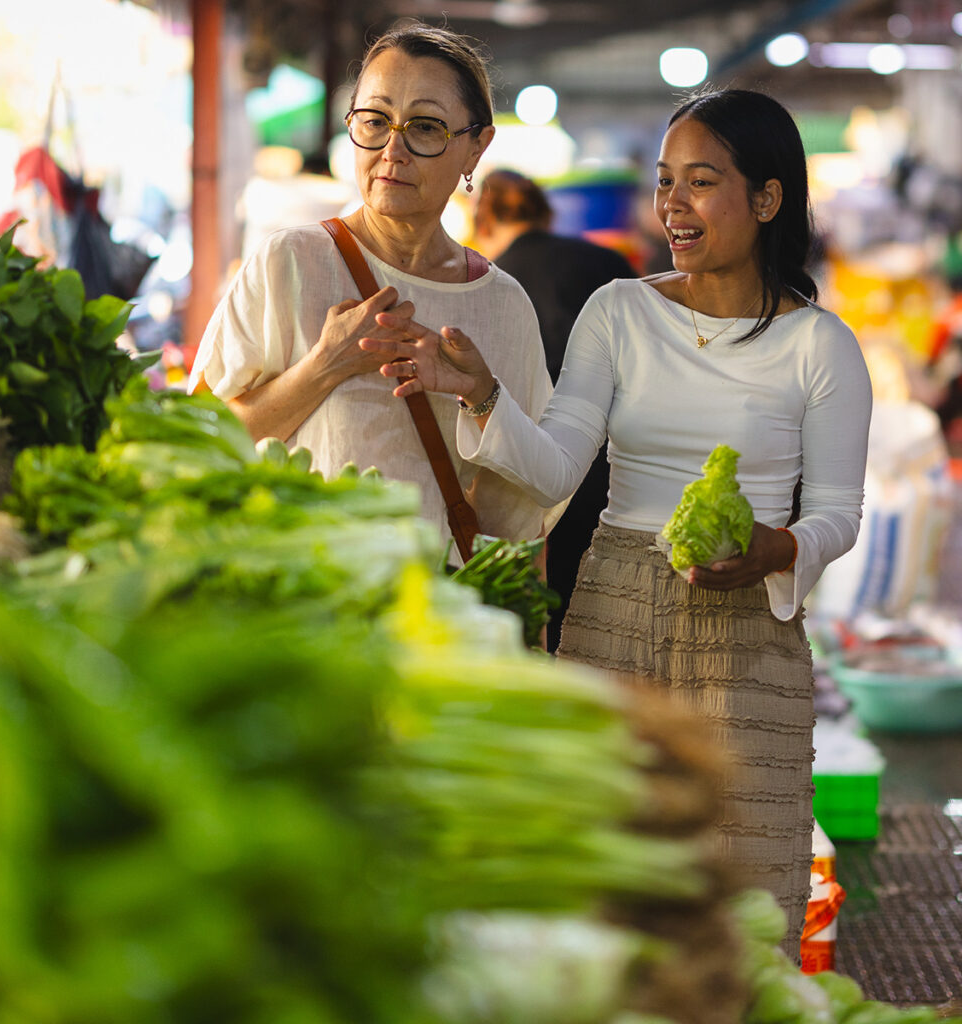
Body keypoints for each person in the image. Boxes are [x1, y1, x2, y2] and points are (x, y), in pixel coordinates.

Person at [360, 88, 874, 957]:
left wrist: (774, 549)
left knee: (741, 913)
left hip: (748, 636)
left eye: (701, 182)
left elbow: (837, 515)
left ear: (767, 197)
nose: (671, 204)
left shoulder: (820, 346)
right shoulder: (620, 311)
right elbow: (558, 466)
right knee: (605, 902)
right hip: (611, 610)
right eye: (665, 180)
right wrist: (482, 394)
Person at [188, 21, 560, 564]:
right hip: (301, 600)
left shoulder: (502, 305)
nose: (393, 149)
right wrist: (322, 367)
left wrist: (528, 632)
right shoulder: (290, 263)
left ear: (476, 148)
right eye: (375, 120)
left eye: (426, 128)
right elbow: (202, 440)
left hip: (436, 616)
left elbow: (520, 512)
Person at [473, 169, 637, 650]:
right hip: (615, 466)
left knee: (546, 614)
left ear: (483, 219)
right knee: (614, 616)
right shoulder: (606, 262)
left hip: (527, 468)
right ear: (545, 213)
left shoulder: (484, 282)